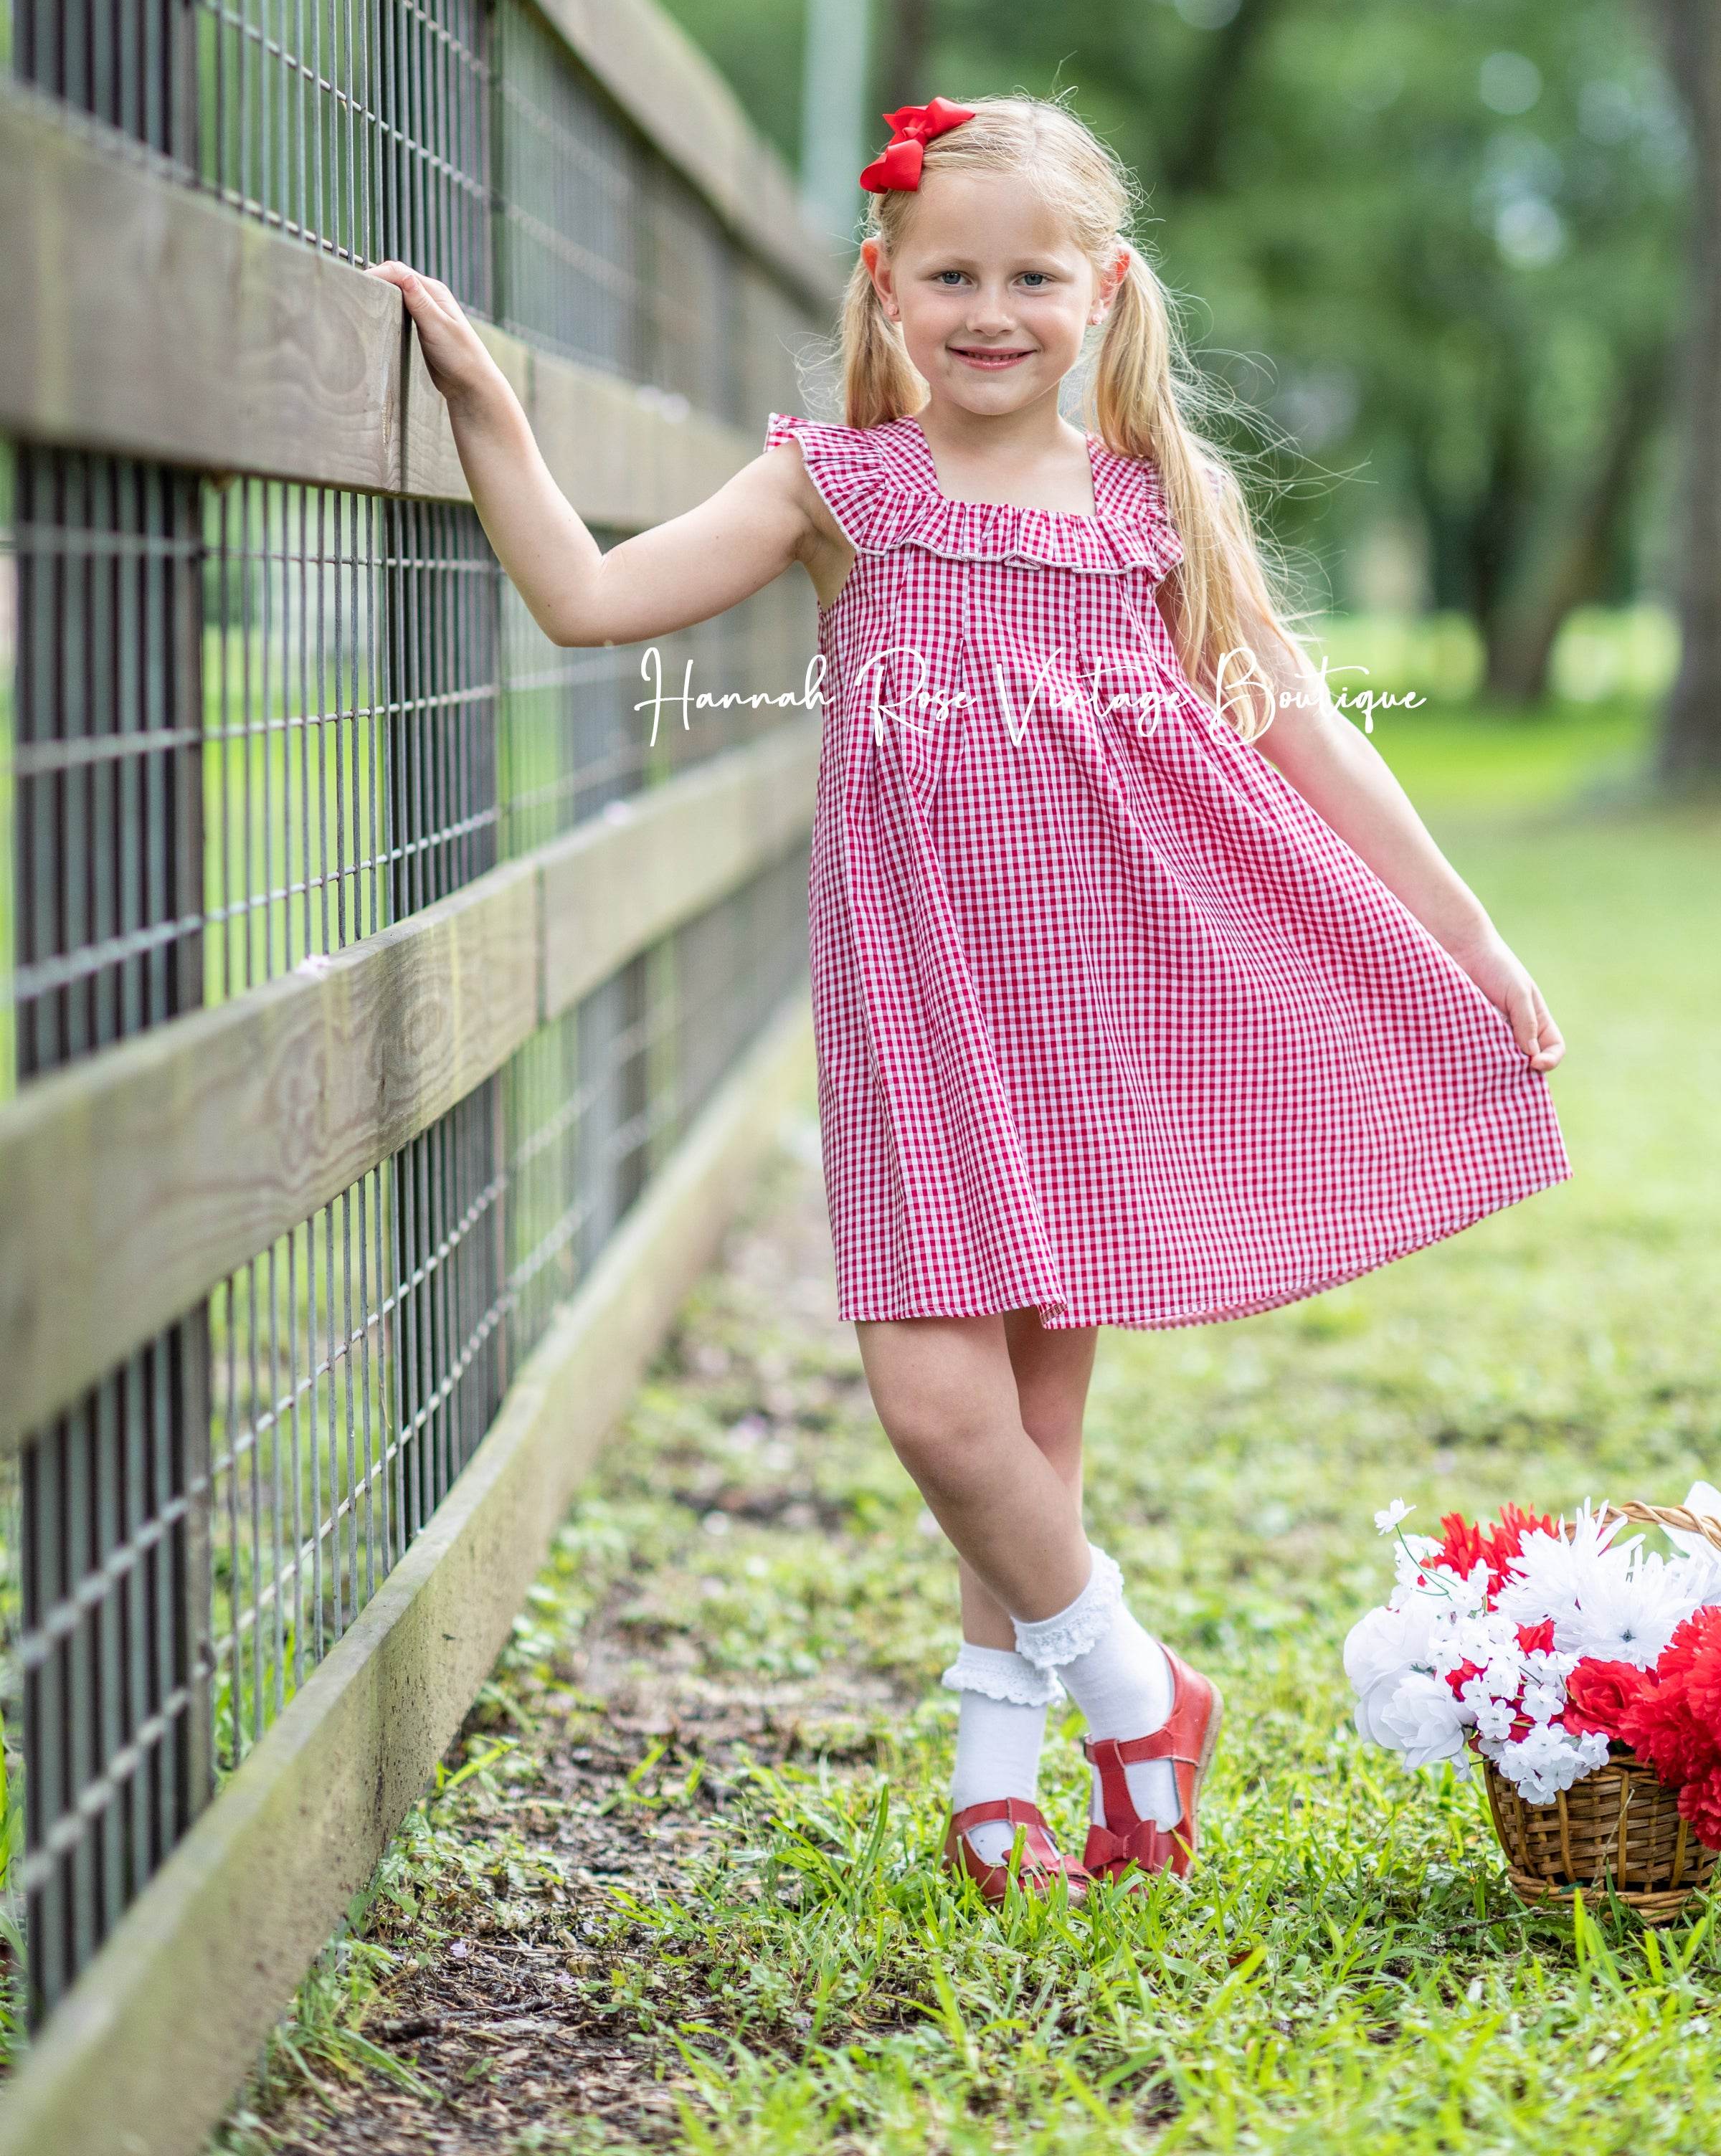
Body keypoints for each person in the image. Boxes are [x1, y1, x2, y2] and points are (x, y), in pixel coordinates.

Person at [371, 91, 1569, 1904]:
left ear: (1104, 289)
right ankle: (1143, 1693)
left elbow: (1299, 726)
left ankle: (1006, 1791)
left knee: (1028, 1432)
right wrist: (486, 408)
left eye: (1031, 274)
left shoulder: (1154, 500)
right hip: (920, 1008)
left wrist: (1468, 940)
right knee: (942, 1419)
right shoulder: (839, 486)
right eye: (951, 275)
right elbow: (593, 599)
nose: (990, 309)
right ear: (888, 284)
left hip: (1099, 997)